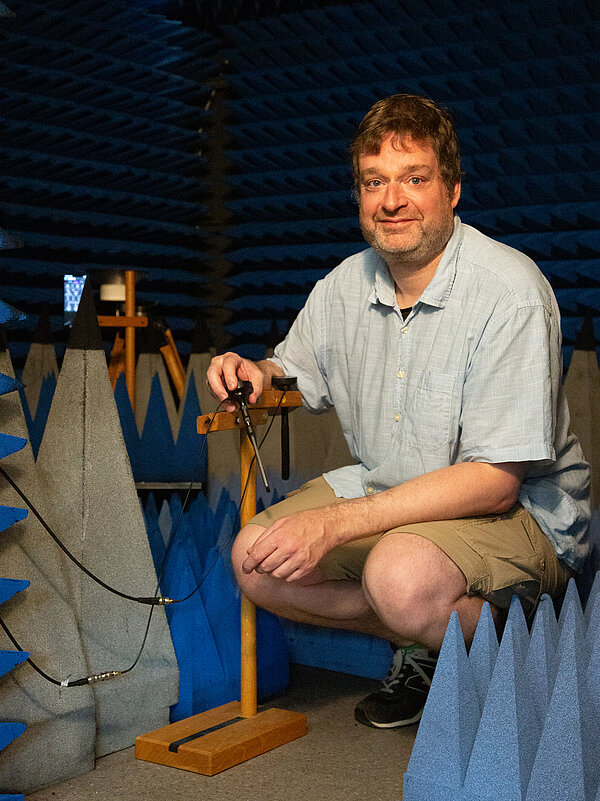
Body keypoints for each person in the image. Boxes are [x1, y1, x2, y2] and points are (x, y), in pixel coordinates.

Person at [206, 94, 590, 729]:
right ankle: (426, 639)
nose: (392, 201)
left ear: (453, 189)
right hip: (395, 486)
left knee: (401, 576)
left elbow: (495, 482)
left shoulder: (510, 293)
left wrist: (334, 525)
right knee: (255, 559)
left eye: (415, 179)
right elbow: (292, 373)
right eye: (374, 182)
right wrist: (257, 371)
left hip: (524, 511)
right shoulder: (342, 286)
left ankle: (526, 645)